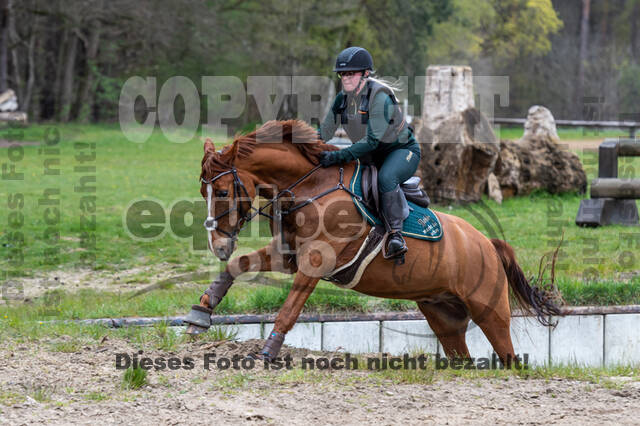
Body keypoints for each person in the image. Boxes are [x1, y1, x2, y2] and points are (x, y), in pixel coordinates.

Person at [318, 46, 421, 261]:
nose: (345, 78)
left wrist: (337, 156)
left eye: (351, 73)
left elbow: (372, 141)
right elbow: (325, 132)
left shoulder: (379, 98)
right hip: (371, 156)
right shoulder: (342, 99)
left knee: (386, 177)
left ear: (365, 73)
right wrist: (303, 145)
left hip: (401, 151)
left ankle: (396, 236)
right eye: (342, 74)